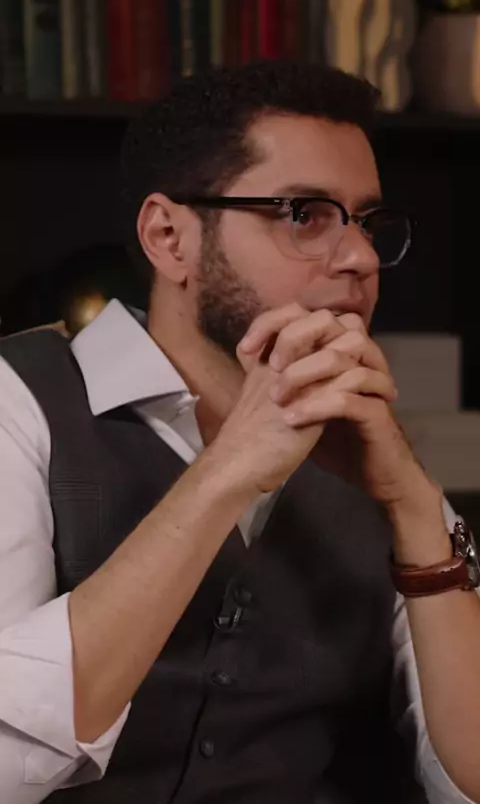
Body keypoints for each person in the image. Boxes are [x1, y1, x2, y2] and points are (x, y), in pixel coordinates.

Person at [0, 61, 479, 804]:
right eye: (303, 215)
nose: (359, 258)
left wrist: (413, 504)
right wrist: (228, 469)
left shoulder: (376, 453)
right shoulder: (18, 403)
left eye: (366, 221)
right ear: (169, 237)